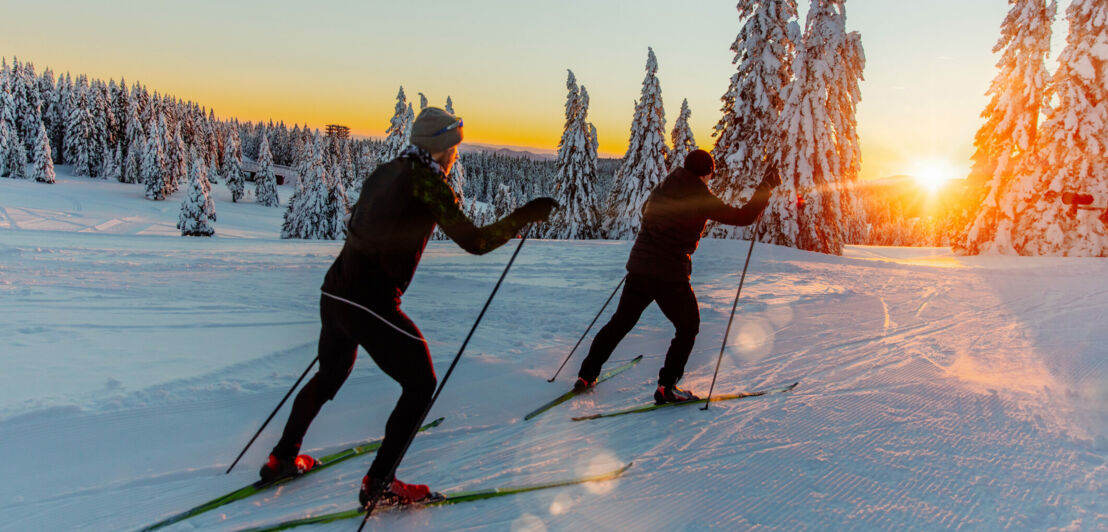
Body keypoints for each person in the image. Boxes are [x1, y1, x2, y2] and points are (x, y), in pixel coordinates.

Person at [258, 107, 558, 507]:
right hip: (370, 302)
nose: (456, 154)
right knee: (421, 385)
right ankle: (380, 482)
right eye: (454, 146)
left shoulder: (387, 171)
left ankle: (281, 457)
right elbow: (476, 242)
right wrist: (525, 215)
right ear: (442, 147)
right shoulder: (429, 183)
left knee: (330, 376)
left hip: (334, 293)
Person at [574, 149, 780, 404]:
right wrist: (766, 187)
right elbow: (743, 217)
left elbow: (646, 214)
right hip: (669, 275)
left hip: (639, 268)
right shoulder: (700, 196)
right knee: (688, 326)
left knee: (620, 323)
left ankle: (586, 375)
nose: (709, 180)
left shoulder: (664, 186)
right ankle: (666, 387)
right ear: (705, 174)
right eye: (710, 175)